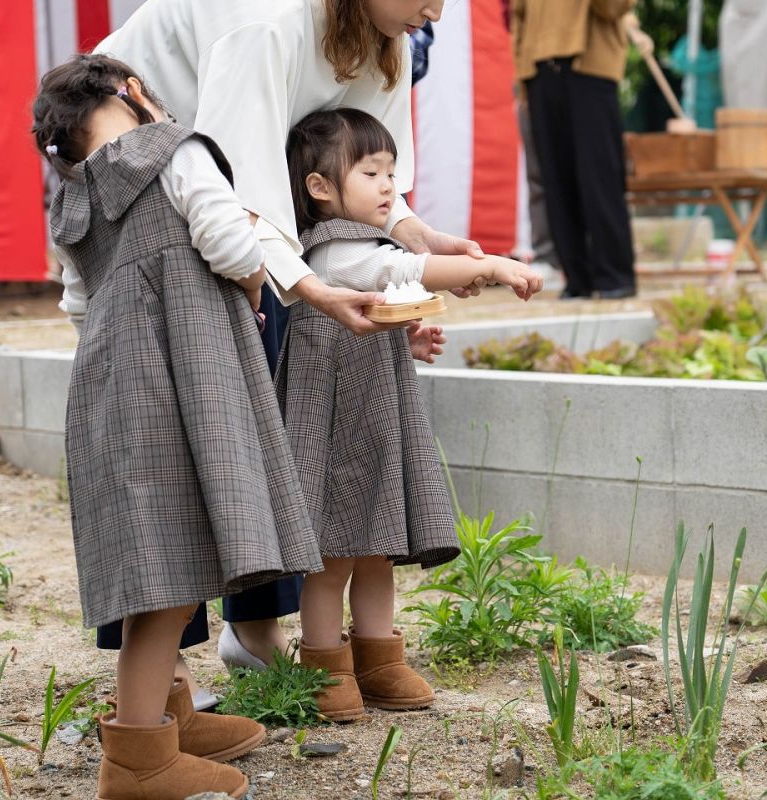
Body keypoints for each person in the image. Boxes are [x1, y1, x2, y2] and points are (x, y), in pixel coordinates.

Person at [95, 0, 477, 671]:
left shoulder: (387, 32)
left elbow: (358, 163)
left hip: (228, 186)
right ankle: (161, 670)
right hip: (133, 152)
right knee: (179, 412)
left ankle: (258, 623)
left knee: (269, 395)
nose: (437, 7)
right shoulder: (266, 19)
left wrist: (413, 235)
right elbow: (237, 192)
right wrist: (309, 287)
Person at [33, 55, 322, 799]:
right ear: (132, 93)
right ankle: (137, 761)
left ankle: (170, 714)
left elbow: (76, 304)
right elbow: (229, 243)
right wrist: (255, 285)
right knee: (164, 578)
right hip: (184, 372)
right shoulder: (176, 148)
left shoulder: (70, 199)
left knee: (159, 549)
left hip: (109, 381)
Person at [283, 108, 542, 720]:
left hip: (372, 426)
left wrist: (403, 340)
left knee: (377, 543)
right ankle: (323, 660)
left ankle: (380, 658)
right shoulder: (331, 253)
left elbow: (374, 309)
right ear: (320, 188)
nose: (387, 188)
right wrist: (488, 267)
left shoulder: (363, 245)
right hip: (328, 432)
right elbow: (405, 270)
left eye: (392, 173)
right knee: (332, 551)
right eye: (371, 172)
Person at [512, 0, 638, 299]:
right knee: (555, 180)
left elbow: (615, 8)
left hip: (590, 66)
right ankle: (577, 278)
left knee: (600, 176)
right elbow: (519, 15)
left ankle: (614, 277)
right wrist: (522, 71)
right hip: (538, 70)